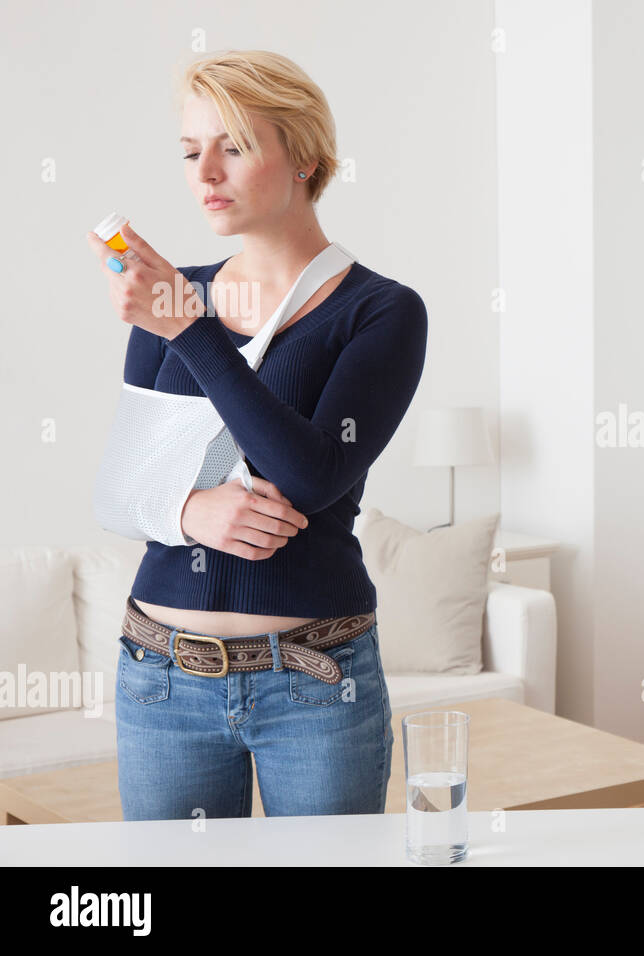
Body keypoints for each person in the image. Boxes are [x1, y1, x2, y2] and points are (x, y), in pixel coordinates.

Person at [84, 51, 427, 821]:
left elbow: (310, 475)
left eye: (232, 146)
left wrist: (188, 329)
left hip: (315, 679)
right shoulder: (175, 295)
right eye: (189, 150)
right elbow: (118, 491)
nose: (204, 171)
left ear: (305, 157)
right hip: (160, 675)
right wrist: (187, 513)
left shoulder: (381, 313)